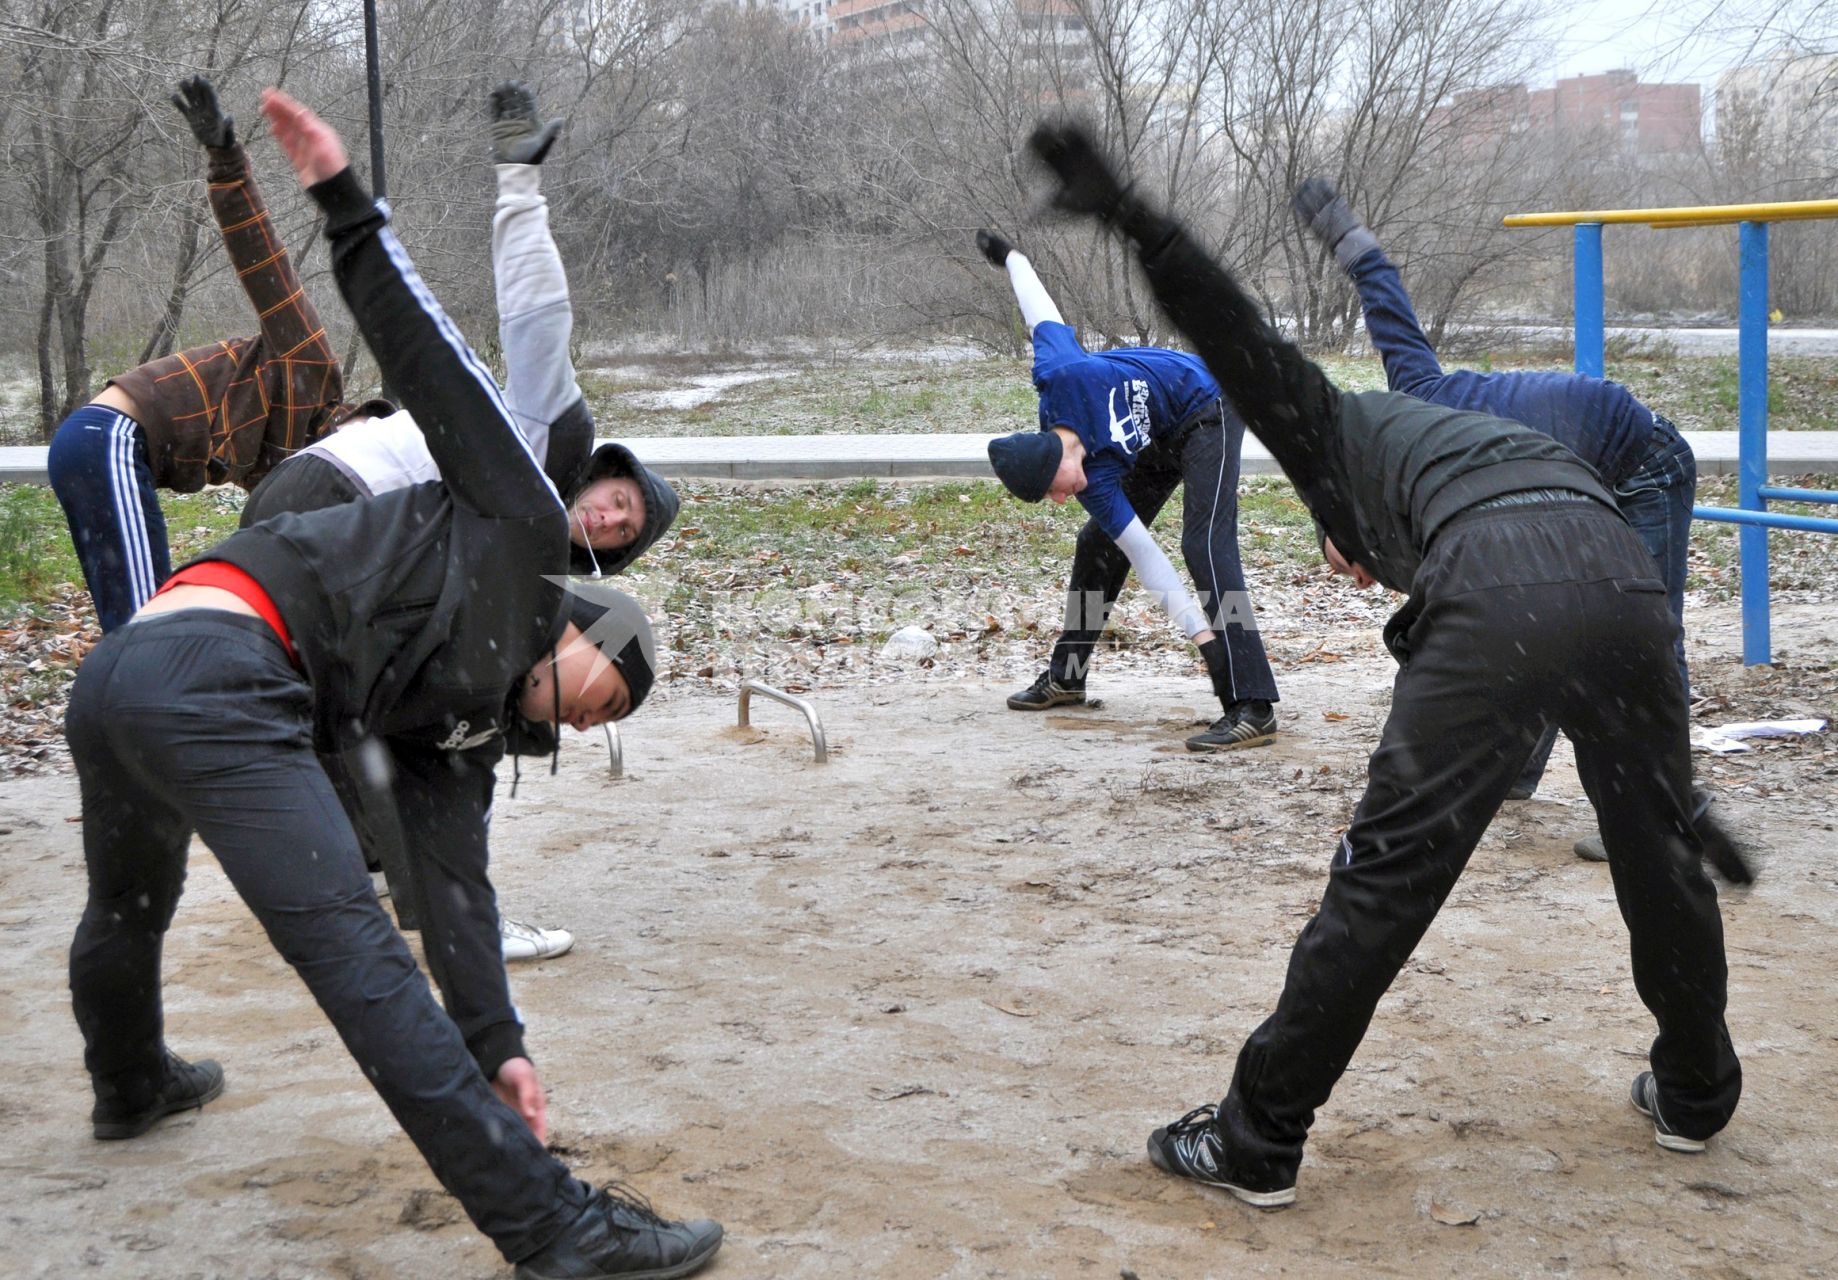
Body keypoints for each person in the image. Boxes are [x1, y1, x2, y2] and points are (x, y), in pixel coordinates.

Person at [1026, 121, 1750, 1209]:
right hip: (1617, 573)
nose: (1359, 574)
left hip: (1504, 580)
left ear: (1338, 519)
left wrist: (1133, 217)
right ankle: (1694, 1089)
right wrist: (1675, 794)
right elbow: (1565, 577)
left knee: (1383, 878)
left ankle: (1255, 1137)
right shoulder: (1449, 424)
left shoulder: (1329, 430)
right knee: (1655, 856)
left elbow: (1230, 335)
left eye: (1348, 563)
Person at [64, 88, 720, 1280]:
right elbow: (439, 357)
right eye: (604, 685)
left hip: (137, 678)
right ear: (583, 621)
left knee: (129, 902)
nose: (592, 713)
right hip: (213, 662)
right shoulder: (518, 522)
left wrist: (501, 1047)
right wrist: (344, 205)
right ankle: (553, 1226)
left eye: (604, 720)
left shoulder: (450, 731)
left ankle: (130, 1083)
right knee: (353, 959)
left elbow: (456, 898)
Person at [240, 83, 677, 963]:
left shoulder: (526, 549)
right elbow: (537, 318)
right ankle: (438, 911)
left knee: (350, 714)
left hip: (303, 518)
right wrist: (520, 184)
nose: (605, 519)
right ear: (603, 472)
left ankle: (369, 888)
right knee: (429, 713)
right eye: (618, 501)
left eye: (620, 534)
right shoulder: (550, 440)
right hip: (332, 504)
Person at [1292, 178, 1704, 858]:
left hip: (1640, 462)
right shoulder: (1416, 431)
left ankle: (1665, 810)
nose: (1364, 580)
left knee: (1645, 636)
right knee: (1540, 606)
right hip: (1569, 477)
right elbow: (1380, 284)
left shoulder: (1446, 475)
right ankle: (1518, 769)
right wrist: (1345, 233)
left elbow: (1460, 620)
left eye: (1353, 567)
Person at [46, 77, 368, 634]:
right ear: (354, 415)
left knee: (138, 630)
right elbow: (263, 264)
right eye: (363, 436)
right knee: (149, 635)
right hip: (112, 440)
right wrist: (226, 159)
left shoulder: (292, 471)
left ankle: (135, 712)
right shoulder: (310, 368)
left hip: (105, 452)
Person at [979, 231, 1281, 751]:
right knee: (1096, 544)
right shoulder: (1091, 483)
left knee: (1205, 543)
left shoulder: (1059, 373)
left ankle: (1252, 704)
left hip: (1206, 405)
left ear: (1059, 456)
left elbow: (1040, 311)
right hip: (1154, 440)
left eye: (1053, 489)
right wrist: (1202, 639)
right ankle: (1068, 675)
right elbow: (1142, 554)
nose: (1059, 500)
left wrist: (1013, 257)